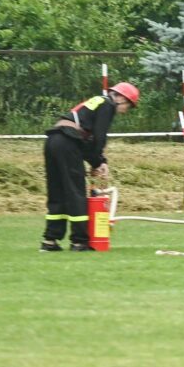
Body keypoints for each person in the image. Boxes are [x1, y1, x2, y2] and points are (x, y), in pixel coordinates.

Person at [40, 82, 140, 252]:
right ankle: (79, 242)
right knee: (76, 192)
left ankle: (50, 241)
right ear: (121, 98)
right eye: (128, 106)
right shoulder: (108, 105)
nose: (125, 111)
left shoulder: (97, 102)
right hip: (67, 143)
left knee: (57, 191)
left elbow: (83, 138)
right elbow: (99, 137)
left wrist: (95, 161)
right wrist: (100, 162)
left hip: (54, 140)